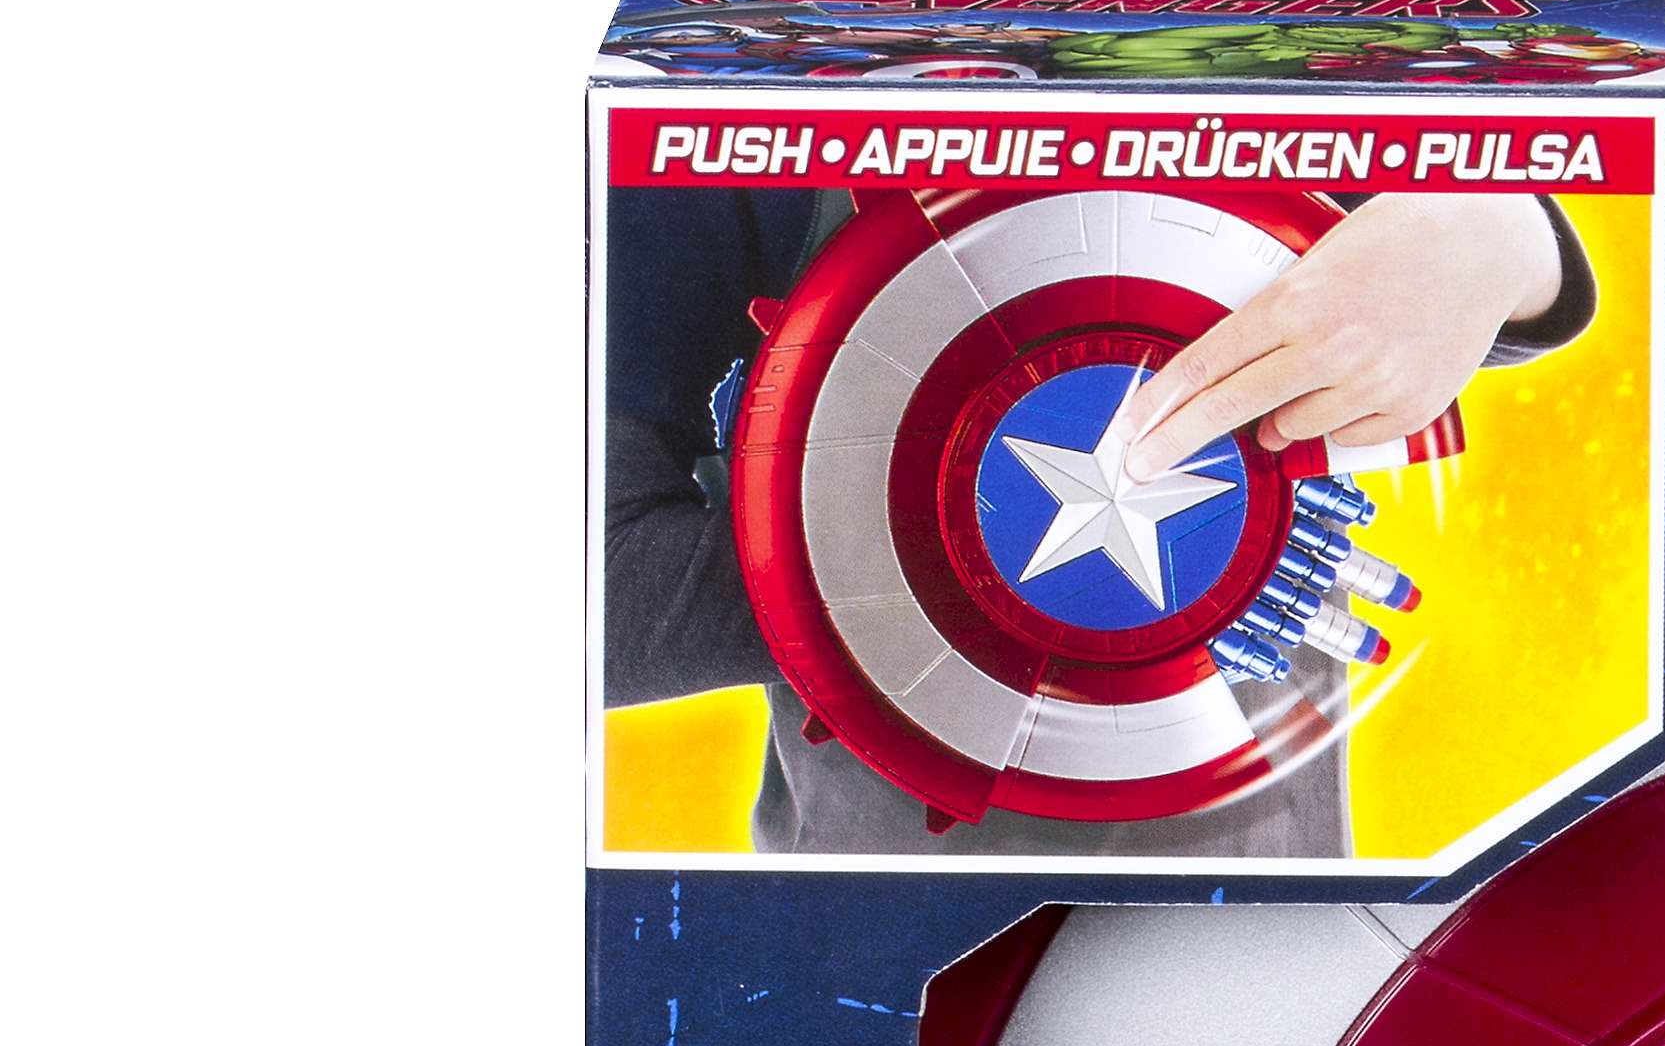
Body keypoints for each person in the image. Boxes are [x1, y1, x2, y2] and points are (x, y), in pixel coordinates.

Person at [601, 191, 1592, 855]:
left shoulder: (1258, 29)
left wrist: (1490, 232)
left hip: (1268, 923)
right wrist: (964, 532)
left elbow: (1506, 233)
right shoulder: (763, 102)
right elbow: (599, 587)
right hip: (891, 937)